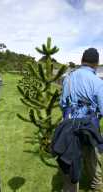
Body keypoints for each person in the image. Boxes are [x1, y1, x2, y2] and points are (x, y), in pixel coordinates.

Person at [59, 48, 103, 192]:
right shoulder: (98, 82)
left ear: (82, 61)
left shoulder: (68, 78)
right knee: (92, 160)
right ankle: (96, 186)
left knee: (70, 160)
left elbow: (63, 104)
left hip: (69, 126)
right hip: (89, 127)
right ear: (96, 63)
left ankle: (71, 188)